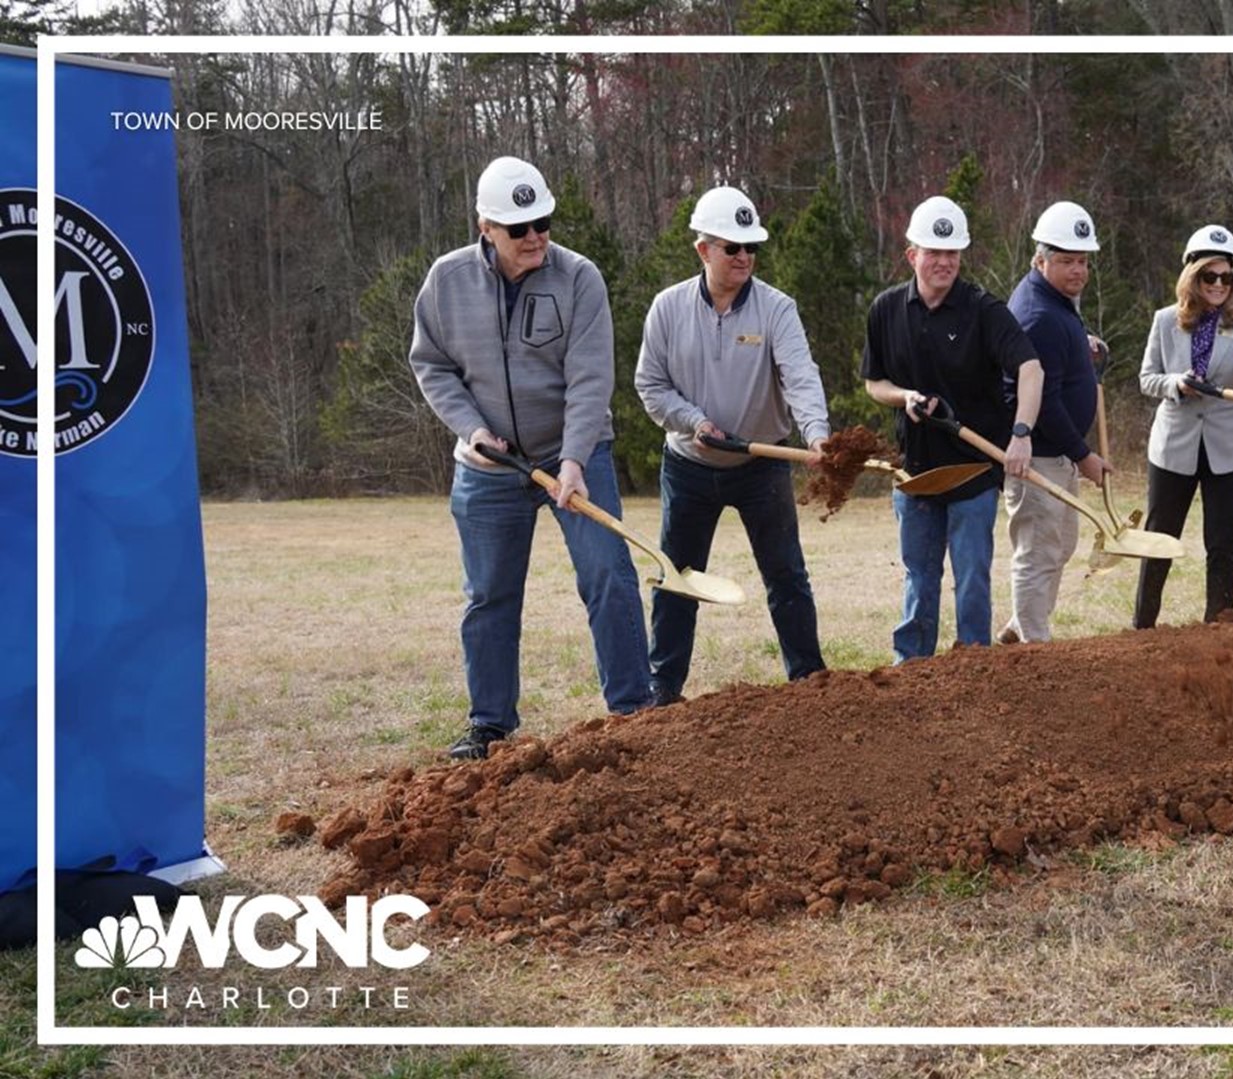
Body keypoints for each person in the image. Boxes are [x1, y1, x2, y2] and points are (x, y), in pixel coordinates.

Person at [410, 155, 653, 760]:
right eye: (518, 228)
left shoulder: (579, 278)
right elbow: (431, 365)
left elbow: (591, 376)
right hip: (488, 467)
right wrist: (470, 430)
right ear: (484, 228)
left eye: (542, 221)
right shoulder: (446, 281)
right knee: (489, 593)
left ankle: (633, 709)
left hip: (575, 451)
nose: (535, 237)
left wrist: (573, 459)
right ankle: (490, 724)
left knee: (608, 575)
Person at [635, 185, 830, 705]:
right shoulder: (668, 308)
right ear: (703, 250)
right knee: (678, 577)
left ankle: (809, 681)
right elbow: (650, 386)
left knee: (786, 574)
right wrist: (692, 420)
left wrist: (817, 434)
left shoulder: (776, 310)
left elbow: (801, 378)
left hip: (761, 465)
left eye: (751, 248)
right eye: (732, 247)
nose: (744, 256)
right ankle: (662, 688)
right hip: (689, 466)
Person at [861, 196, 1043, 662]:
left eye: (952, 253)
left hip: (973, 471)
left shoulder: (983, 310)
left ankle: (973, 665)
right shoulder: (885, 310)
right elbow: (873, 382)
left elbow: (1030, 368)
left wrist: (1021, 433)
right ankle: (912, 667)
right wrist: (904, 397)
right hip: (915, 472)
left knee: (972, 575)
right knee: (919, 577)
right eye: (933, 252)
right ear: (912, 256)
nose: (944, 262)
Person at [1134, 226, 1233, 628]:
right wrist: (1175, 384)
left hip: (1231, 447)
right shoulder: (1166, 321)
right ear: (1193, 276)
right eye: (1210, 276)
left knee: (1222, 542)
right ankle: (1143, 628)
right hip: (1175, 446)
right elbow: (1147, 378)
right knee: (1160, 539)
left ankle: (1219, 628)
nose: (1219, 285)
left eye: (1226, 277)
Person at [999, 201, 1113, 645]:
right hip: (1039, 453)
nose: (1077, 270)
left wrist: (1077, 343)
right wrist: (1083, 455)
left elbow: (1052, 362)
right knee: (1039, 551)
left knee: (1060, 544)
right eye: (1065, 261)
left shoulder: (1054, 303)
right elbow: (1042, 400)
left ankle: (1017, 628)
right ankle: (1035, 646)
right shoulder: (1040, 314)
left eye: (1082, 261)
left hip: (1057, 453)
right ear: (1040, 259)